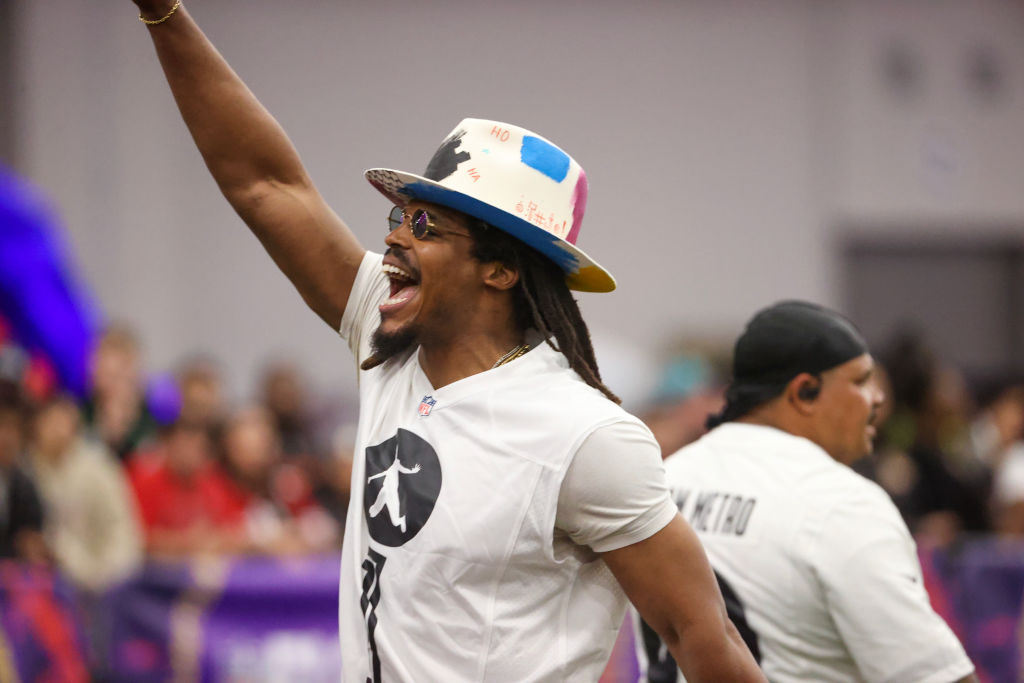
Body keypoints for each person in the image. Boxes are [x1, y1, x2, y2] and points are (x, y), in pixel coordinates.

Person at [129, 2, 765, 681]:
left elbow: (702, 634)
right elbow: (264, 183)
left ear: (501, 269)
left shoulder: (586, 437)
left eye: (427, 224)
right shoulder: (389, 338)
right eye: (399, 215)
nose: (395, 236)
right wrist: (163, 12)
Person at [638, 301, 977, 683]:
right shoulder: (840, 501)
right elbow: (934, 676)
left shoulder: (663, 478)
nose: (879, 399)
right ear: (805, 392)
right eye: (862, 381)